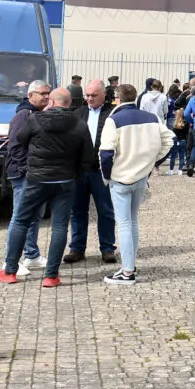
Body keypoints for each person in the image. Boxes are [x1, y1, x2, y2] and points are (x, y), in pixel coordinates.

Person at [0, 88, 95, 288]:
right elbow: (88, 157)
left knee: (21, 221)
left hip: (37, 179)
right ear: (70, 103)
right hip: (65, 181)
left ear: (51, 101)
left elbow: (21, 140)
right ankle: (51, 276)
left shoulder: (35, 119)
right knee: (59, 226)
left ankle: (10, 271)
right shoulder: (80, 124)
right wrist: (75, 174)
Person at [98, 84, 173, 285]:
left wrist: (107, 176)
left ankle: (128, 271)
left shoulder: (113, 120)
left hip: (120, 178)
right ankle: (129, 266)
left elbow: (106, 153)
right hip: (141, 177)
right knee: (133, 221)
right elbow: (169, 141)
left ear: (117, 98)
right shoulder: (152, 118)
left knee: (124, 224)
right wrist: (152, 163)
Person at [0, 80, 52, 277]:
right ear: (31, 95)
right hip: (23, 174)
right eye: (42, 93)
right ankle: (10, 260)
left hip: (35, 173)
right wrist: (25, 169)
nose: (46, 97)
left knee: (35, 215)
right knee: (20, 216)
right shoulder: (24, 115)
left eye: (48, 93)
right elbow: (15, 146)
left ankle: (32, 254)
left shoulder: (37, 114)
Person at [63, 79, 117, 265]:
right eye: (87, 95)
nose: (89, 98)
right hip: (79, 171)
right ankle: (77, 248)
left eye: (94, 95)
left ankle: (107, 248)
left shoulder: (112, 114)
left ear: (103, 94)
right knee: (77, 211)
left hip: (101, 171)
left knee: (106, 210)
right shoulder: (78, 113)